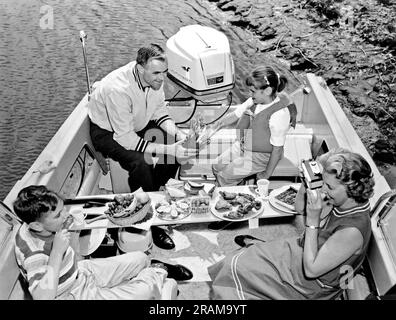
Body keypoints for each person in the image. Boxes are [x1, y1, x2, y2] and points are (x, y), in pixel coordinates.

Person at [208, 148, 375, 299]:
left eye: (329, 187)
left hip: (312, 283)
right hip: (306, 251)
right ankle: (255, 249)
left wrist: (312, 220)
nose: (323, 190)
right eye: (324, 183)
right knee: (240, 260)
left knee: (238, 269)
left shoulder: (352, 231)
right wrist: (306, 183)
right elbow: (299, 208)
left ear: (352, 188)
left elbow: (311, 270)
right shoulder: (345, 202)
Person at [88, 43, 196, 249]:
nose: (161, 78)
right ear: (140, 69)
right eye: (156, 72)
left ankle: (153, 195)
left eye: (164, 72)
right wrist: (170, 150)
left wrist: (179, 135)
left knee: (171, 144)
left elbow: (160, 114)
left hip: (137, 123)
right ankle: (150, 220)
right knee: (140, 163)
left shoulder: (155, 79)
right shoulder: (117, 89)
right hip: (109, 132)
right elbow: (126, 138)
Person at [13, 185, 193, 300]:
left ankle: (148, 268)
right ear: (36, 225)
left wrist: (69, 221)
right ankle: (159, 272)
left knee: (139, 258)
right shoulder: (32, 253)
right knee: (144, 292)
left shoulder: (41, 225)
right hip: (70, 294)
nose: (65, 214)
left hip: (80, 271)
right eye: (58, 214)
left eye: (63, 209)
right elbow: (42, 297)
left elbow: (63, 223)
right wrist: (57, 253)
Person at [203, 66, 297, 230]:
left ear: (267, 90)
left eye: (253, 91)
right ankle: (229, 194)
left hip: (261, 155)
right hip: (244, 145)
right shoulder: (255, 100)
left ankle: (232, 217)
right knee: (216, 166)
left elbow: (277, 149)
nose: (250, 95)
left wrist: (266, 174)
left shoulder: (279, 115)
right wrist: (215, 125)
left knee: (226, 175)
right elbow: (235, 115)